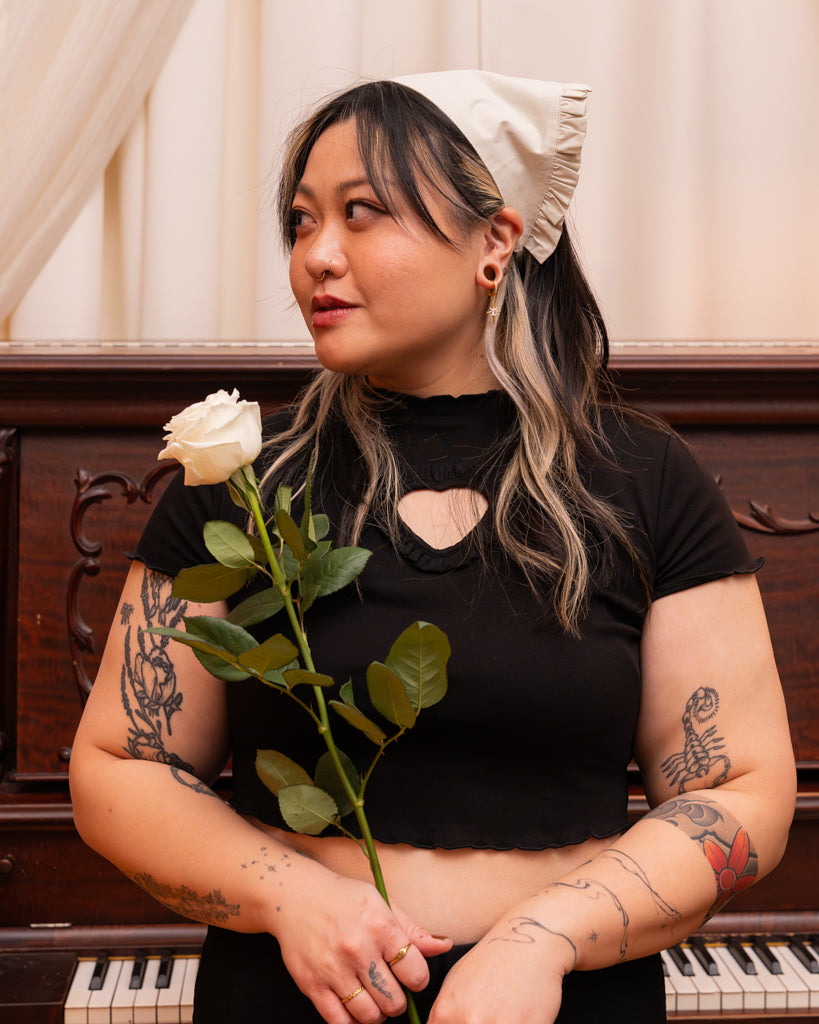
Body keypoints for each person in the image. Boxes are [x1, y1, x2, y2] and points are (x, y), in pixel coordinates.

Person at [69, 71, 796, 1024]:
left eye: (360, 213)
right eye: (300, 221)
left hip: (564, 997)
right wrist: (295, 899)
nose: (315, 256)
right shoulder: (241, 483)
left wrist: (540, 942)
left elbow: (739, 790)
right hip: (299, 996)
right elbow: (120, 767)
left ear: (495, 241)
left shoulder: (645, 478)